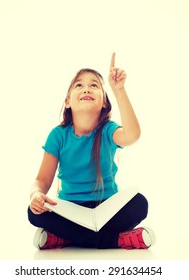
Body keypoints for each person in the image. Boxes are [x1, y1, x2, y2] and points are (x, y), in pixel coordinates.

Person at [28, 53, 155, 250]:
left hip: (107, 209)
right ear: (68, 101)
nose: (86, 88)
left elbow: (132, 135)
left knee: (140, 204)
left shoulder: (107, 130)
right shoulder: (58, 135)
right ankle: (115, 241)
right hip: (71, 210)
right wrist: (36, 194)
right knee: (32, 212)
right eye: (79, 85)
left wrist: (119, 90)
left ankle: (67, 238)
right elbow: (42, 180)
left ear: (104, 102)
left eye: (94, 85)